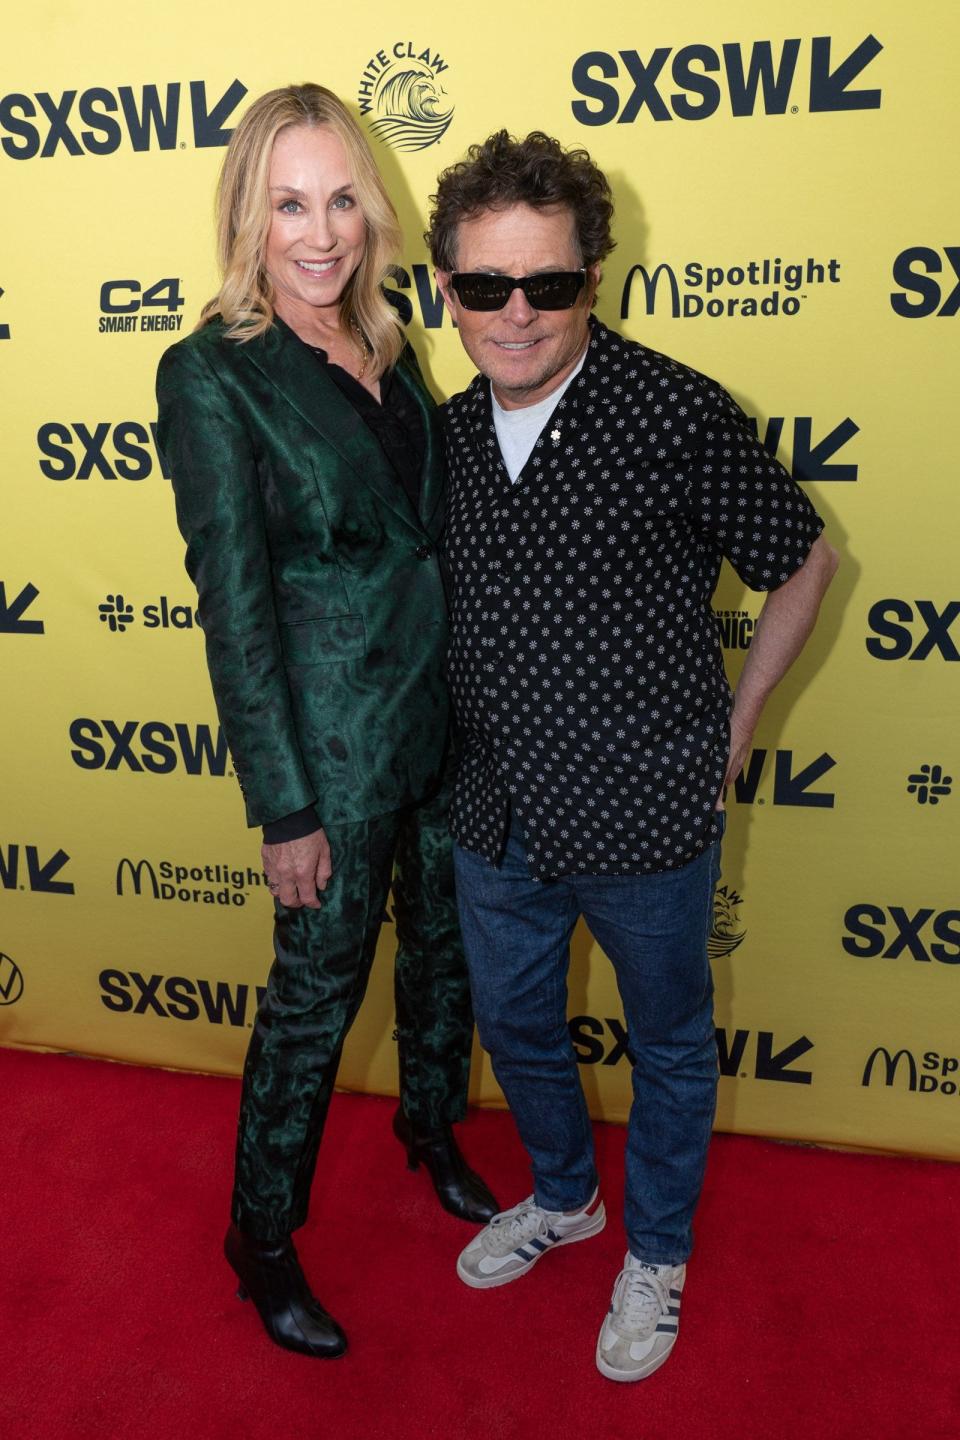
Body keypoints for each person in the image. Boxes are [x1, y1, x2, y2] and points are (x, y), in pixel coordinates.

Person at [425, 130, 840, 1382]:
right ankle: (565, 1196)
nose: (514, 315)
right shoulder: (439, 433)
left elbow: (804, 560)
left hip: (649, 807)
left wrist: (743, 714)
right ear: (444, 288)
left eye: (546, 285)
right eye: (483, 286)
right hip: (492, 806)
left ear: (592, 278)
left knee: (665, 1042)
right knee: (517, 1026)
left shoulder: (673, 409)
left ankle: (653, 1251)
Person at [155, 84, 497, 1361]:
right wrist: (284, 807)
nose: (321, 232)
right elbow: (235, 612)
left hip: (441, 724)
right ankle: (260, 1236)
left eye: (342, 198)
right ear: (248, 213)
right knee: (314, 1004)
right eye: (289, 202)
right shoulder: (210, 376)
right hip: (333, 757)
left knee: (443, 954)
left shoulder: (396, 344)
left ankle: (427, 1124)